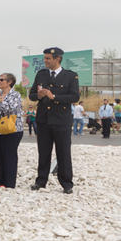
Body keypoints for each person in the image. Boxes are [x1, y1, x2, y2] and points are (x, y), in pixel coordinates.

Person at [29, 47, 79, 194]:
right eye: (44, 58)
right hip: (43, 119)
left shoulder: (70, 76)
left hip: (61, 120)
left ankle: (67, 183)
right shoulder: (41, 74)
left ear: (57, 59)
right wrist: (39, 95)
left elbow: (75, 97)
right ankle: (41, 181)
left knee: (63, 152)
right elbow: (32, 95)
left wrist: (54, 97)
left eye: (48, 58)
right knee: (43, 152)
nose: (45, 61)